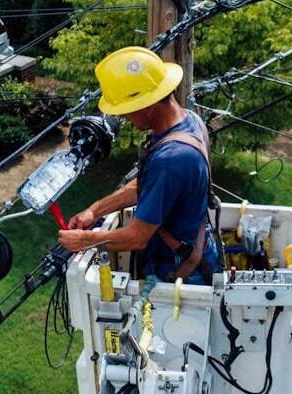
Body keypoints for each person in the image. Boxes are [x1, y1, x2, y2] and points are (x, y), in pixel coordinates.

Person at [57, 46, 221, 285]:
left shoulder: (171, 159)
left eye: (125, 110)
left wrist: (84, 240)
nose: (123, 117)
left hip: (180, 270)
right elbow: (146, 186)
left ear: (147, 105)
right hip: (192, 249)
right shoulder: (188, 120)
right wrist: (95, 210)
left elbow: (136, 238)